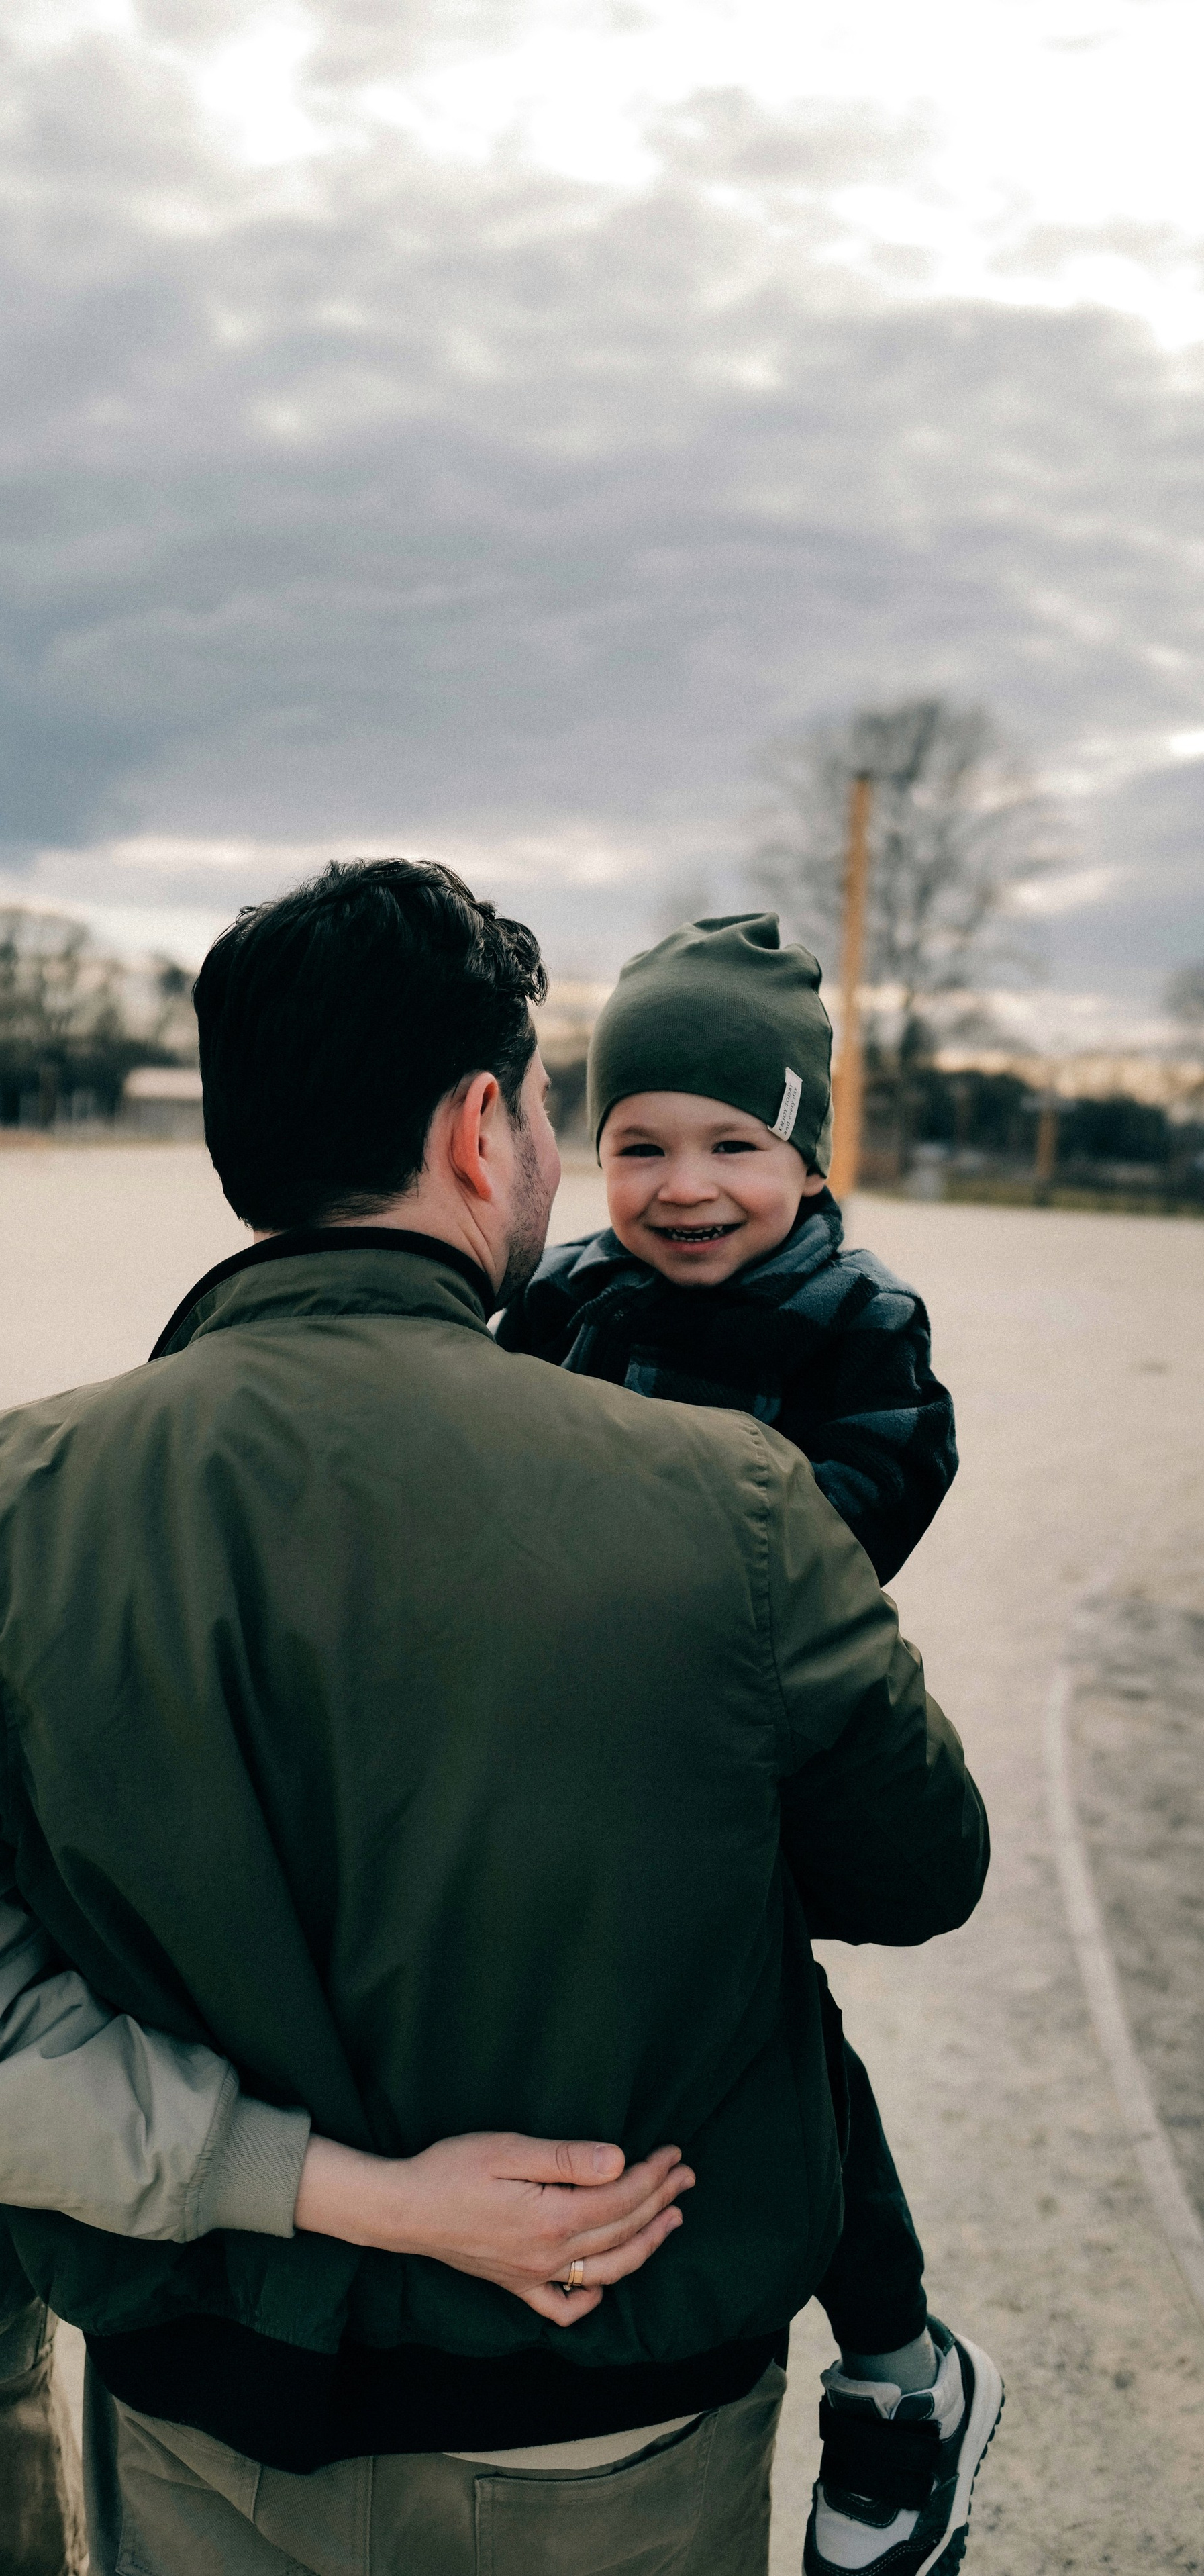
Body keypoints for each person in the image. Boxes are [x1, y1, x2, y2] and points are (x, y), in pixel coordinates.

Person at [0, 861, 991, 2576]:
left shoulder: (6, 1499)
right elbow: (917, 1869)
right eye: (571, 1117)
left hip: (211, 2407)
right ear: (480, 1123)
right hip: (608, 2388)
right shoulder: (732, 1491)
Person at [497, 915, 1004, 2575]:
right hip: (578, 1751)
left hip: (742, 1754)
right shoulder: (564, 1296)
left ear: (801, 1152)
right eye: (637, 1142)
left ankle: (894, 2364)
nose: (682, 1182)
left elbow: (857, 1519)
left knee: (781, 2051)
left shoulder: (855, 1326)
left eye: (735, 1141)